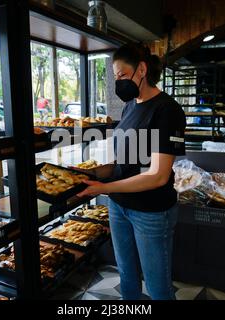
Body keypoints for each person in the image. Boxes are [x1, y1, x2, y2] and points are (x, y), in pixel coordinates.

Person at [78, 43, 186, 300]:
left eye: (122, 75)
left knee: (158, 286)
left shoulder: (167, 110)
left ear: (142, 70)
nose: (119, 82)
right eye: (115, 77)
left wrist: (103, 188)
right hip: (118, 207)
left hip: (151, 212)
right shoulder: (129, 108)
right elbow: (123, 163)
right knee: (126, 275)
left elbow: (158, 175)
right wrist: (92, 175)